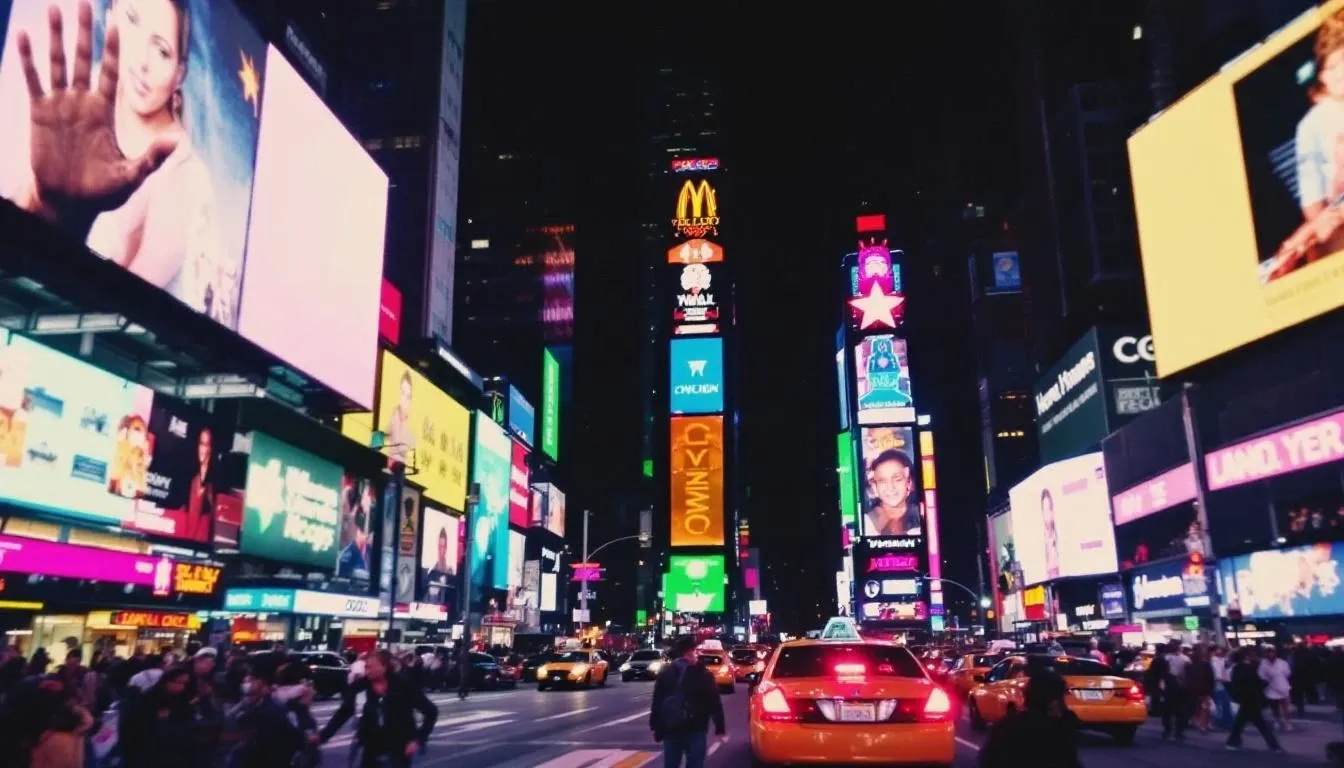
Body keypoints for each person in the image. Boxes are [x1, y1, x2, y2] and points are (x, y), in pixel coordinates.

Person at [8, 0, 235, 322]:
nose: (143, 61)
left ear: (179, 73)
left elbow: (118, 310)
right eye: (132, 20)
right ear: (110, 15)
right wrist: (47, 205)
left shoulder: (184, 174)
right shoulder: (77, 106)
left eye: (162, 51)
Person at [319, 649, 437, 768]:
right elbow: (344, 712)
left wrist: (418, 739)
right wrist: (323, 736)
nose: (367, 671)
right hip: (370, 747)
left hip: (399, 747)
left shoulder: (403, 685)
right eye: (366, 667)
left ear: (384, 667)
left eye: (371, 667)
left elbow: (431, 712)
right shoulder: (361, 687)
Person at [978, 667, 1082, 768]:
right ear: (1054, 702)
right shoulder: (1059, 730)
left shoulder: (1008, 726)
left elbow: (987, 760)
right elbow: (1069, 761)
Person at [649, 635, 726, 768]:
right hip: (695, 727)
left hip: (671, 727)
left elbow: (657, 701)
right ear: (690, 652)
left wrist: (656, 727)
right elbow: (714, 701)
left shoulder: (666, 672)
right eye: (696, 651)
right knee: (695, 764)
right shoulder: (702, 673)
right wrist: (720, 727)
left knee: (671, 764)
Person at [1227, 647, 1284, 753]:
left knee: (1240, 723)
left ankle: (1232, 742)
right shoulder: (1249, 668)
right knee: (1261, 724)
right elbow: (1256, 682)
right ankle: (1274, 746)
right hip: (1251, 699)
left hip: (1245, 698)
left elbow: (1237, 683)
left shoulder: (1237, 668)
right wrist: (1264, 683)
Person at [863, 449, 921, 537]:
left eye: (898, 479)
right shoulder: (866, 522)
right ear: (874, 487)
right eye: (883, 481)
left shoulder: (924, 517)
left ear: (909, 482)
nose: (890, 487)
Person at [1260, 645, 1294, 731]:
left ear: (1275, 653)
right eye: (1269, 653)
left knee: (1286, 707)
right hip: (1271, 688)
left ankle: (1287, 722)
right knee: (1274, 707)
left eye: (1272, 652)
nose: (1271, 655)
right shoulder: (1263, 664)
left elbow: (1287, 673)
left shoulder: (1282, 663)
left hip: (1283, 686)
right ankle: (1277, 721)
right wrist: (1268, 679)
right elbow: (1261, 675)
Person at [1040, 489, 1060, 580]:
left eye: (1049, 509)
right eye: (1044, 511)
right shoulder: (1042, 539)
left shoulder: (1058, 535)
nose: (1047, 516)